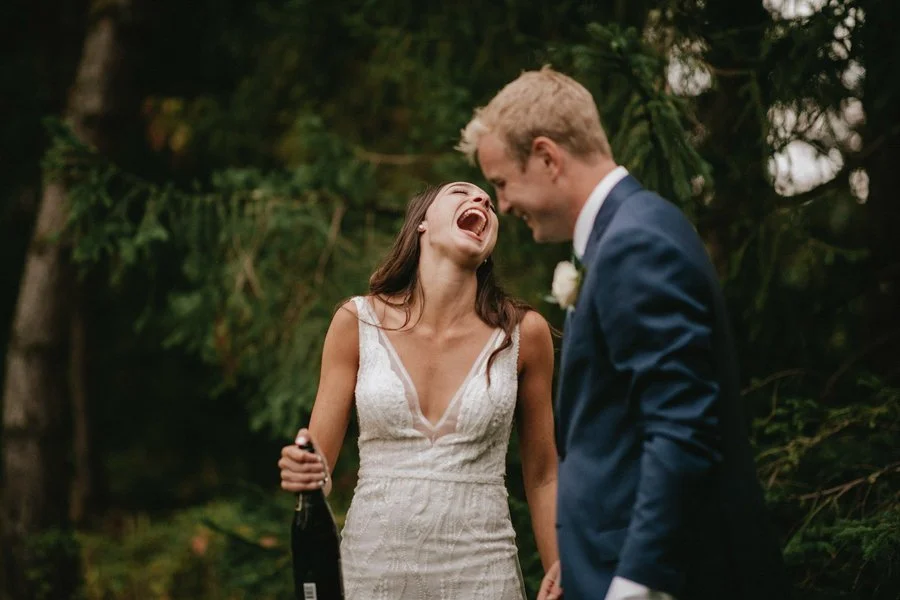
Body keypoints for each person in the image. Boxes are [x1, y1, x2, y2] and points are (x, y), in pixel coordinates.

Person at [458, 66, 790, 600]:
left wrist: (636, 583)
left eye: (501, 182)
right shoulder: (632, 229)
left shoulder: (636, 244)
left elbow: (681, 429)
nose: (504, 204)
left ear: (546, 157)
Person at [278, 181, 559, 599]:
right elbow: (319, 466)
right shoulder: (356, 323)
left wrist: (561, 568)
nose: (481, 199)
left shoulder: (523, 335)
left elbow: (542, 476)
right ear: (422, 224)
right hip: (369, 577)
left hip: (483, 576)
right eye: (461, 192)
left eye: (487, 199)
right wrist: (303, 470)